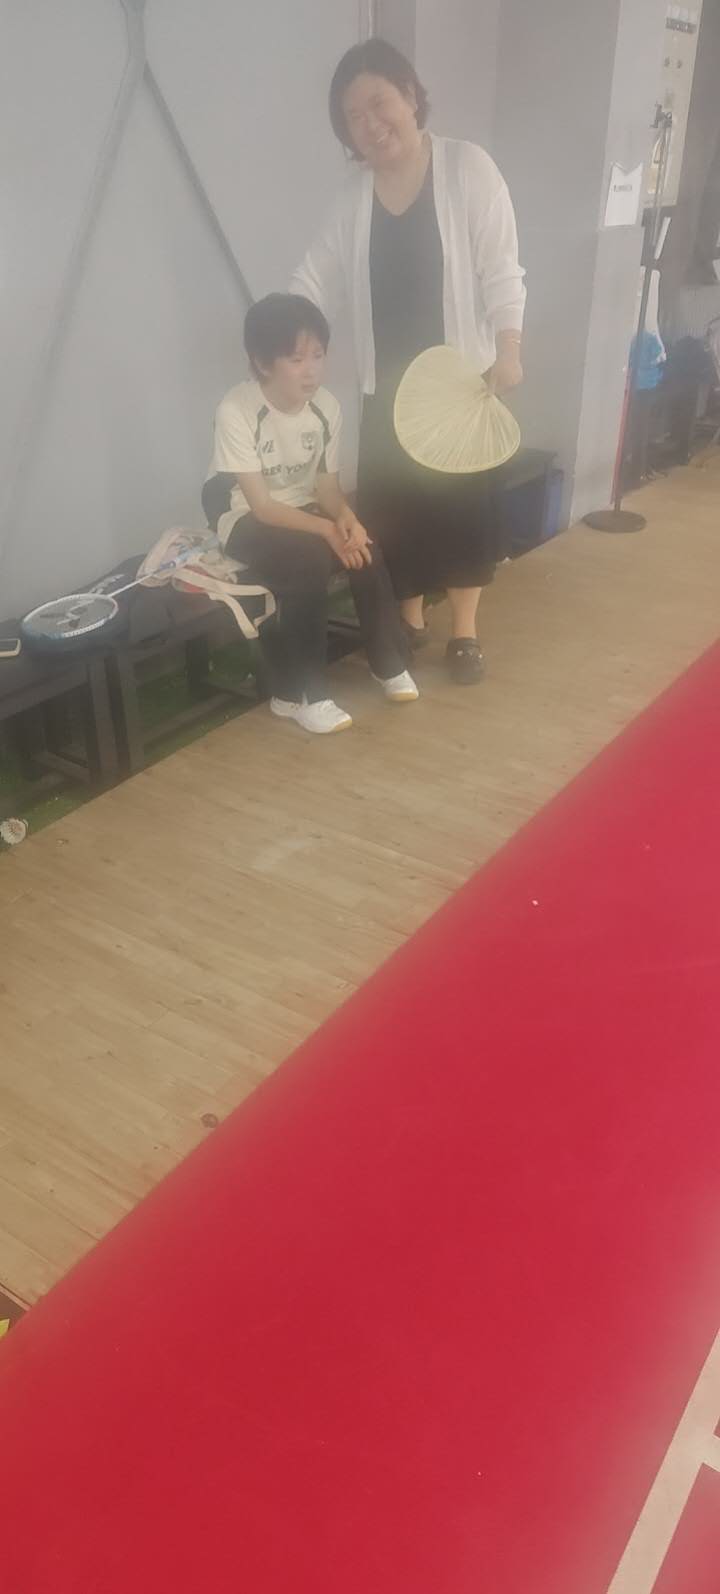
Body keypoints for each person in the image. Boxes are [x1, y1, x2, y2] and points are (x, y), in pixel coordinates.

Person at [290, 38, 526, 685]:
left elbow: (502, 268)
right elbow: (314, 279)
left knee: (462, 506)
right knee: (396, 513)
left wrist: (509, 349)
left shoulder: (467, 168)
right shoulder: (352, 197)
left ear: (411, 97)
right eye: (353, 116)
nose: (370, 123)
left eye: (379, 103)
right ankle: (411, 621)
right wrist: (282, 337)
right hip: (386, 387)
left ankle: (465, 632)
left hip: (458, 382)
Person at [203, 293, 417, 735]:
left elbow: (327, 489)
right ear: (262, 363)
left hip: (301, 507)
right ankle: (306, 694)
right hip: (242, 517)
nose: (312, 370)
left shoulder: (327, 407)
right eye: (297, 359)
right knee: (309, 561)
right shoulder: (235, 411)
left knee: (364, 547)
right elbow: (262, 506)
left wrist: (346, 520)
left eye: (318, 355)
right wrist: (325, 528)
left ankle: (388, 664)